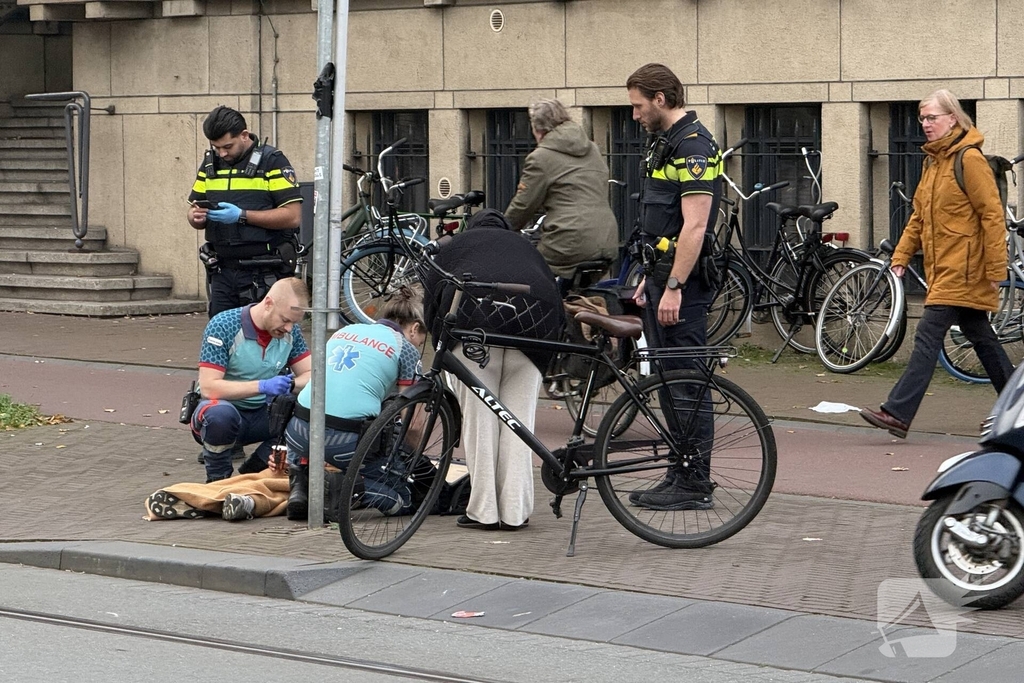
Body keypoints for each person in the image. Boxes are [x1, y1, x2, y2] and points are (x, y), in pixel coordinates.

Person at [860, 90, 1014, 439]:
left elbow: (992, 215)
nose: (926, 125)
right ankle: (1017, 408)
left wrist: (995, 270)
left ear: (953, 119)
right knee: (982, 337)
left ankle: (898, 412)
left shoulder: (968, 159)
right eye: (923, 119)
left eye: (932, 118)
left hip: (966, 268)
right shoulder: (934, 162)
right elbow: (919, 217)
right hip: (946, 267)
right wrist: (900, 255)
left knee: (928, 334)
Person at [423, 209, 565, 531]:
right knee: (520, 422)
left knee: (479, 420)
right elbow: (553, 293)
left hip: (474, 328)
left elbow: (433, 295)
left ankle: (484, 510)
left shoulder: (457, 245)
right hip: (533, 331)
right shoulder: (526, 247)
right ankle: (515, 511)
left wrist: (441, 342)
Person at [625, 63, 724, 511]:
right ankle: (679, 473)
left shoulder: (694, 146)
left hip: (682, 285)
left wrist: (676, 286)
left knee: (687, 383)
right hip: (661, 276)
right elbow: (659, 221)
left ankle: (694, 483)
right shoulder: (663, 143)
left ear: (661, 99)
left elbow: (696, 225)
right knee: (667, 383)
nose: (634, 115)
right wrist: (651, 277)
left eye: (638, 105)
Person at [283, 287, 426, 521]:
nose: (419, 345)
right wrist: (415, 462)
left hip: (296, 433)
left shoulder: (344, 331)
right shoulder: (406, 349)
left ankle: (302, 485)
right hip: (343, 442)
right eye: (421, 341)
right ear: (415, 328)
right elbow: (412, 424)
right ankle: (340, 488)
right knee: (403, 500)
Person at [186, 105, 304, 319]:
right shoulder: (210, 164)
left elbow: (293, 216)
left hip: (263, 271)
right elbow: (194, 209)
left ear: (244, 135)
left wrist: (242, 215)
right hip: (222, 270)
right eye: (216, 147)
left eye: (227, 146)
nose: (222, 153)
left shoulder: (272, 161)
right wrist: (195, 217)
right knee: (220, 338)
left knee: (265, 337)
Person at [191, 277, 311, 483]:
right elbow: (209, 388)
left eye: (294, 322)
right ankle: (218, 480)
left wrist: (291, 384)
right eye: (285, 320)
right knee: (221, 415)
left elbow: (313, 376)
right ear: (268, 303)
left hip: (262, 415)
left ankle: (253, 473)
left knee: (308, 419)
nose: (289, 328)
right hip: (221, 413)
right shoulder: (223, 325)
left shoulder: (292, 333)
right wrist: (263, 386)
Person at [504, 99, 619, 282]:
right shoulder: (593, 149)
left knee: (525, 271)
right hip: (606, 238)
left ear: (538, 128)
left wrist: (500, 228)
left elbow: (523, 205)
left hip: (568, 240)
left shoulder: (540, 157)